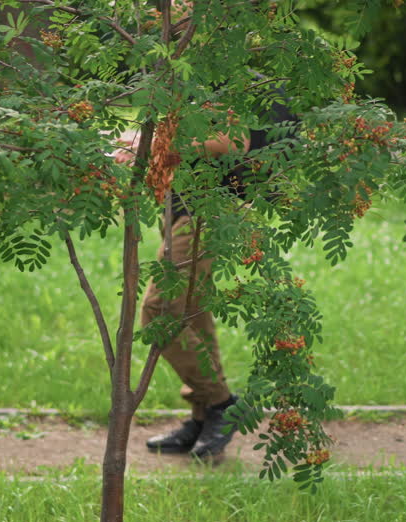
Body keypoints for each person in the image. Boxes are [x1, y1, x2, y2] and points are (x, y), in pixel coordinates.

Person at [114, 98, 294, 460]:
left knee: (161, 311)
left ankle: (221, 404)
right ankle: (203, 416)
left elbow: (236, 139)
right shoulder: (194, 74)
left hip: (210, 210)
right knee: (191, 311)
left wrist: (154, 144)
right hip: (185, 205)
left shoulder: (239, 77)